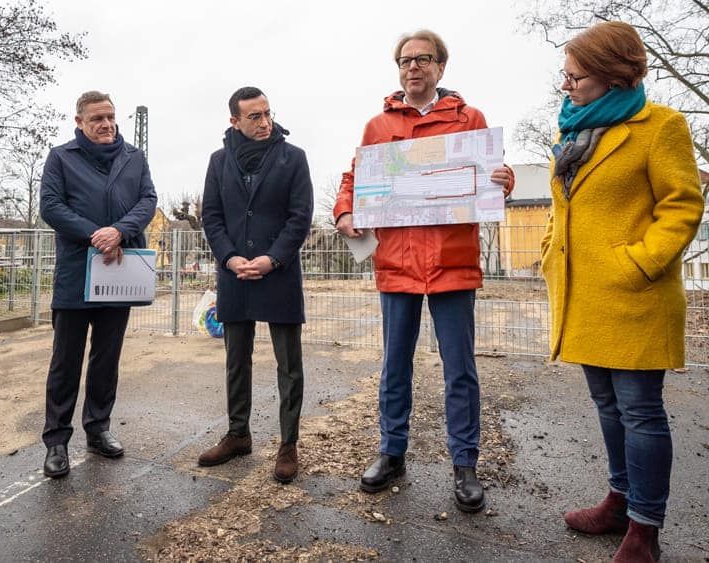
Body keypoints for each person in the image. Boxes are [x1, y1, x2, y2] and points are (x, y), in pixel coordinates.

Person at [541, 21, 704, 562]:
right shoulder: (573, 131)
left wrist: (641, 262)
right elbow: (564, 207)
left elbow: (682, 205)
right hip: (584, 295)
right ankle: (619, 501)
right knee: (608, 406)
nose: (566, 85)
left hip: (634, 294)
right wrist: (549, 248)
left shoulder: (659, 126)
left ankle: (644, 528)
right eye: (565, 75)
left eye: (575, 76)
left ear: (612, 76)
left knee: (640, 411)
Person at [333, 30, 514, 512]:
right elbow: (355, 177)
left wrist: (505, 179)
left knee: (460, 370)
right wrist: (345, 211)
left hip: (452, 263)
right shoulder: (378, 125)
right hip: (398, 263)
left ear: (440, 67)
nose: (412, 67)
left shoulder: (469, 120)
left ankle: (465, 464)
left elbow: (493, 173)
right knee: (395, 365)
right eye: (405, 60)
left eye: (423, 59)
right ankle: (391, 452)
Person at [39, 90, 157, 479]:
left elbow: (147, 200)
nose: (106, 124)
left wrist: (120, 231)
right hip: (77, 272)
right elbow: (51, 206)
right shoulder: (61, 157)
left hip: (119, 270)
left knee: (107, 358)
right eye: (96, 119)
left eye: (109, 117)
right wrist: (97, 235)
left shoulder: (134, 158)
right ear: (79, 122)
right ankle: (57, 440)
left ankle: (98, 428)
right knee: (65, 361)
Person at [199, 86, 313, 483]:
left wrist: (272, 258)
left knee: (289, 365)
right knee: (236, 360)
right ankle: (238, 435)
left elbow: (300, 217)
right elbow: (212, 216)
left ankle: (288, 444)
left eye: (267, 114)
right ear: (234, 121)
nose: (265, 122)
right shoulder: (219, 161)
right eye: (254, 117)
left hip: (278, 273)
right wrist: (229, 258)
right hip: (235, 275)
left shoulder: (293, 157)